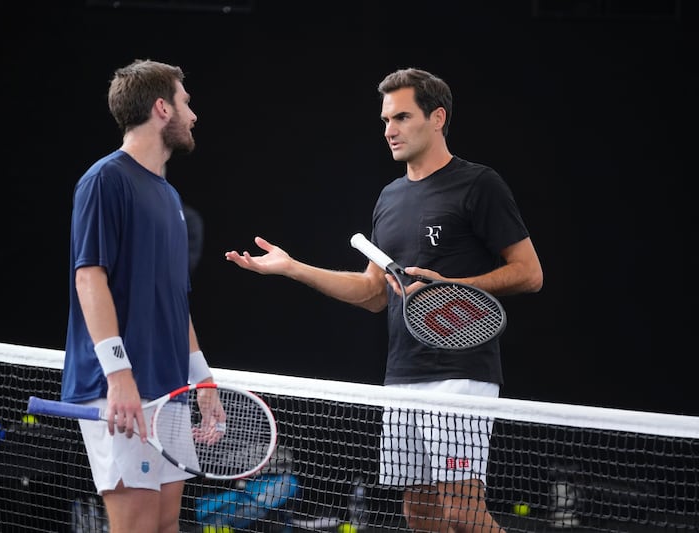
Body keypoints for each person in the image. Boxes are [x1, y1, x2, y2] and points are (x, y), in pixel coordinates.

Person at [224, 68, 543, 533]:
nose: (389, 130)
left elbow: (530, 273)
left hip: (459, 377)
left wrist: (452, 288)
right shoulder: (389, 197)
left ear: (437, 118)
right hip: (401, 377)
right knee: (420, 513)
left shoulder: (478, 185)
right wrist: (293, 268)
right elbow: (375, 293)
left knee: (463, 513)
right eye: (385, 120)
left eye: (401, 117)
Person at [62, 59, 224, 533]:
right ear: (161, 108)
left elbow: (176, 302)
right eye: (186, 103)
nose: (193, 115)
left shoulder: (170, 198)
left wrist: (203, 380)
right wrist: (119, 376)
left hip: (168, 387)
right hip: (121, 390)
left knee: (166, 526)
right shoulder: (104, 180)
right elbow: (88, 279)